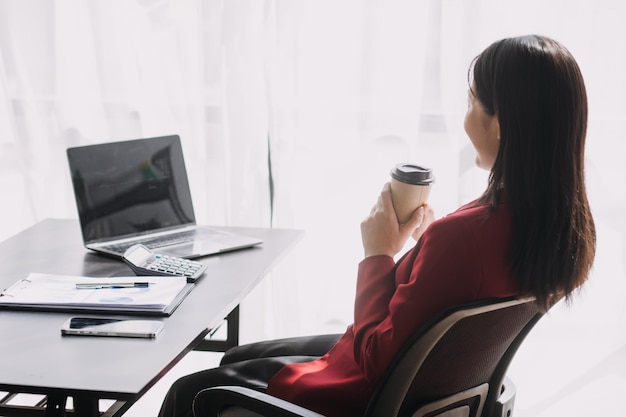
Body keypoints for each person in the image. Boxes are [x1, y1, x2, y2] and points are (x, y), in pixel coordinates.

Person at [158, 34, 596, 417]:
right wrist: (424, 250)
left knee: (189, 390)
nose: (464, 118)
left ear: (499, 123)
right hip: (423, 394)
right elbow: (439, 321)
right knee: (237, 355)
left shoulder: (462, 238)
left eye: (470, 101)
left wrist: (378, 253)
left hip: (356, 397)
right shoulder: (557, 230)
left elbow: (374, 360)